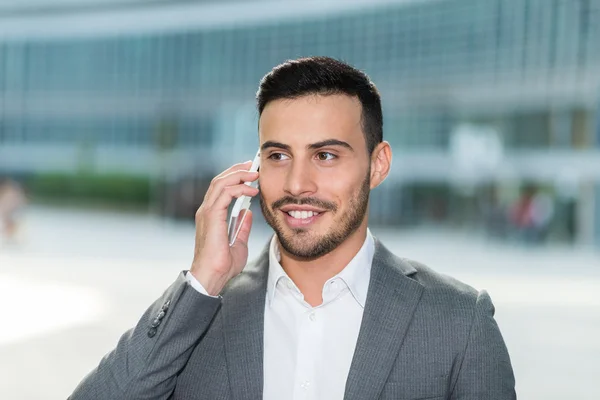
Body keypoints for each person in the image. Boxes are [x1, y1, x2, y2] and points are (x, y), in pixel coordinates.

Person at [71, 57, 516, 399]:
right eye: (279, 156)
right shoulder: (202, 314)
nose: (297, 184)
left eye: (325, 155)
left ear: (377, 165)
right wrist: (202, 283)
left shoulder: (459, 322)